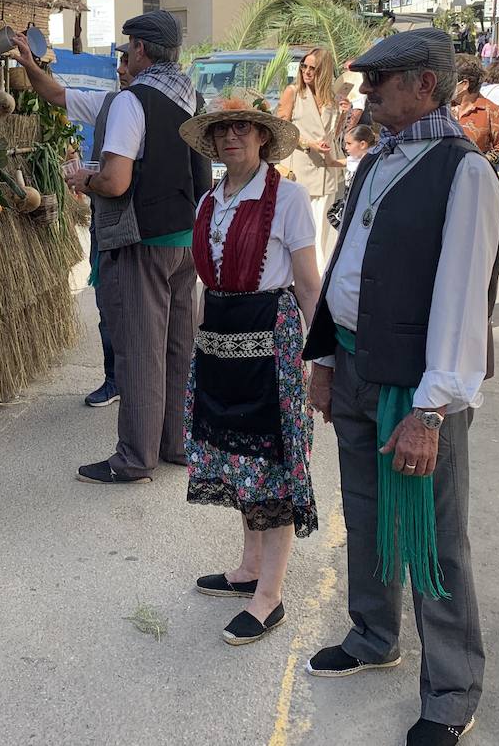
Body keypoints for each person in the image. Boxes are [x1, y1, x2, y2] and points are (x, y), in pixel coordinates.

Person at [302, 28, 499, 746]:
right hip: (356, 364)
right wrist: (324, 358)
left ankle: (451, 691)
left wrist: (431, 409)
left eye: (378, 81)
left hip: (417, 388)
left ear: (425, 84)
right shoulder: (379, 159)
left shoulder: (465, 173)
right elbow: (345, 263)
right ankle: (374, 632)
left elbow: (461, 302)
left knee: (436, 537)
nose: (364, 94)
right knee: (365, 512)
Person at [177, 93, 320, 646]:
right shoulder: (209, 201)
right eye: (221, 131)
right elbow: (204, 282)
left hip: (270, 338)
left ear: (262, 137)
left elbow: (308, 286)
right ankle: (248, 568)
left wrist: (318, 360)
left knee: (271, 461)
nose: (230, 137)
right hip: (220, 336)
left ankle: (270, 596)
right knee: (236, 457)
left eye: (242, 128)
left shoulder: (288, 198)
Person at [61, 11, 211, 484]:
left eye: (127, 51)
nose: (125, 59)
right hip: (186, 241)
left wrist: (83, 178)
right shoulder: (193, 97)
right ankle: (176, 443)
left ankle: (134, 458)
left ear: (142, 50)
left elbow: (116, 179)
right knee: (178, 345)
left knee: (140, 350)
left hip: (141, 240)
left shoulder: (132, 101)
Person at [12, 39, 133, 409]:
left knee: (144, 311)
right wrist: (31, 65)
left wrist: (93, 181)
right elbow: (58, 95)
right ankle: (115, 380)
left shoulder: (168, 105)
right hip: (109, 224)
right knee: (109, 306)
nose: (120, 69)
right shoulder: (111, 103)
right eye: (120, 61)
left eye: (127, 61)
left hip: (149, 230)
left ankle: (146, 386)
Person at [277, 47, 345, 260]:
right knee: (302, 229)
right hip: (300, 168)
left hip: (327, 169)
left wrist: (343, 114)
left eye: (313, 68)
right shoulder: (294, 92)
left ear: (323, 71)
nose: (307, 71)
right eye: (304, 66)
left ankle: (321, 276)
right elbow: (281, 129)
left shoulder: (332, 99)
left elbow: (333, 135)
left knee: (324, 229)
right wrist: (308, 144)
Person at [452, 59, 499, 170]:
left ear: (464, 84)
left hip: (474, 177)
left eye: (450, 81)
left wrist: (482, 160)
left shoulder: (492, 112)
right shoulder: (442, 107)